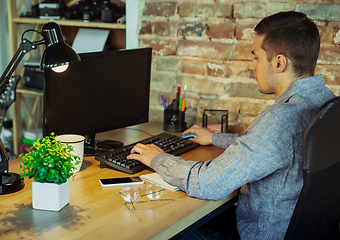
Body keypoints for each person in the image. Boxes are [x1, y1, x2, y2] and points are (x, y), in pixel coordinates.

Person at [128, 11, 336, 239]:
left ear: (279, 62)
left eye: (255, 56)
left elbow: (207, 183)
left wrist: (158, 158)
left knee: (155, 228)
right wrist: (214, 138)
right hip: (304, 232)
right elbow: (276, 147)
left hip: (257, 234)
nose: (251, 66)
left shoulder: (280, 119)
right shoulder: (326, 102)